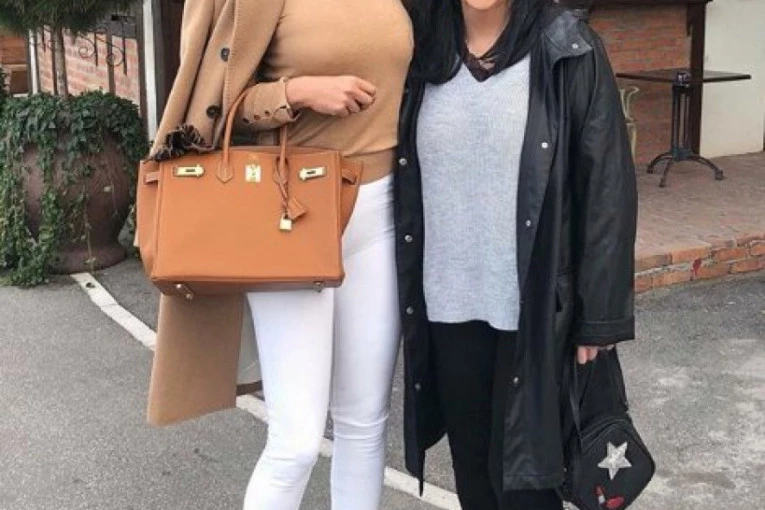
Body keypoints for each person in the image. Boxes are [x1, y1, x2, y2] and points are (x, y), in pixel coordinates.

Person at [144, 1, 413, 509]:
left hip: (381, 212)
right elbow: (216, 100)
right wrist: (295, 92)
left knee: (364, 423)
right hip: (292, 215)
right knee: (296, 441)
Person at [394, 0, 638, 509]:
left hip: (535, 313)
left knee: (529, 488)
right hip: (448, 308)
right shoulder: (420, 48)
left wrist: (599, 318)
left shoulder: (568, 48)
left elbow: (606, 187)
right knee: (474, 479)